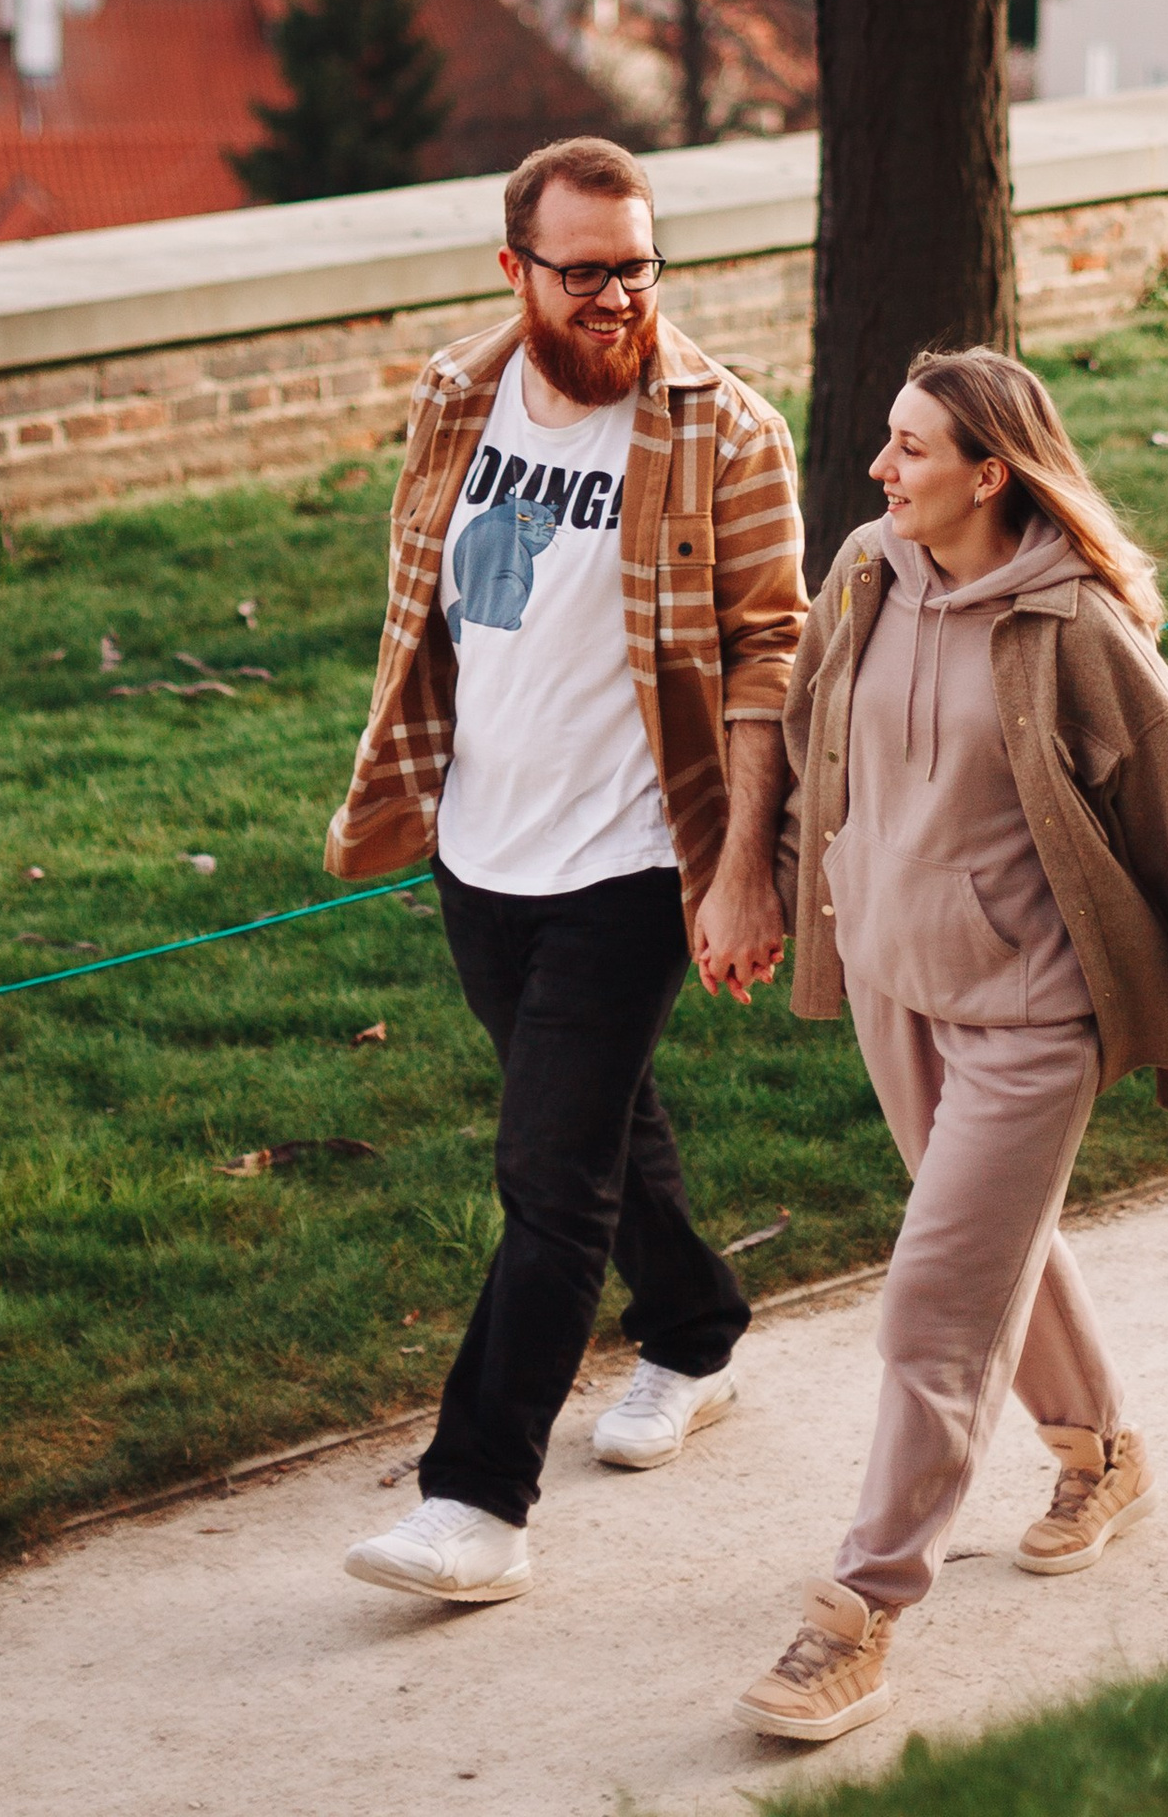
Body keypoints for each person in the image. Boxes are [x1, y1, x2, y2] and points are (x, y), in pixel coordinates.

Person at [736, 347, 1168, 1747]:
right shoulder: (868, 568)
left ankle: (857, 1616)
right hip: (892, 978)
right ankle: (1104, 1452)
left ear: (991, 475)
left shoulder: (1072, 627)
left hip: (1033, 1011)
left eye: (910, 449)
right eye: (886, 440)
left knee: (936, 1307)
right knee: (987, 1248)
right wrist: (779, 882)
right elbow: (812, 732)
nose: (878, 468)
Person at [327, 132, 807, 1605]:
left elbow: (770, 650)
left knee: (547, 1175)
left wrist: (740, 869)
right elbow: (438, 615)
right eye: (585, 272)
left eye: (639, 268)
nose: (617, 299)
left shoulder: (725, 432)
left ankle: (476, 1502)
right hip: (481, 847)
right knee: (601, 1122)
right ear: (516, 268)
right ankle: (696, 1331)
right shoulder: (456, 397)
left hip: (631, 856)